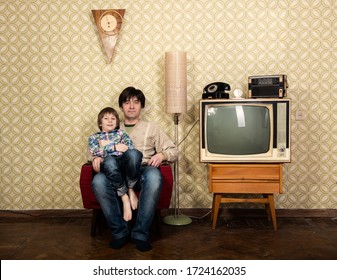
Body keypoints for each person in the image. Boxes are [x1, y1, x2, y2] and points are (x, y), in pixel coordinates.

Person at [92, 87, 178, 252]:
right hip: (116, 173)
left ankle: (140, 234)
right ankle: (120, 232)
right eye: (127, 102)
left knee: (154, 176)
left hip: (142, 170)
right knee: (98, 181)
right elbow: (95, 147)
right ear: (121, 106)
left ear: (141, 106)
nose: (131, 106)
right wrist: (96, 157)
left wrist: (162, 155)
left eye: (136, 102)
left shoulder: (152, 128)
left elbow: (173, 151)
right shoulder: (111, 127)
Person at [88, 107, 143, 222]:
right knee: (110, 161)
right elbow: (94, 151)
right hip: (108, 164)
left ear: (117, 122)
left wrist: (106, 144)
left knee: (135, 154)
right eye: (106, 118)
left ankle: (131, 188)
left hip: (123, 162)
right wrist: (115, 146)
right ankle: (124, 196)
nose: (110, 121)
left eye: (113, 118)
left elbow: (128, 148)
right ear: (100, 122)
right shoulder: (94, 137)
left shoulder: (121, 133)